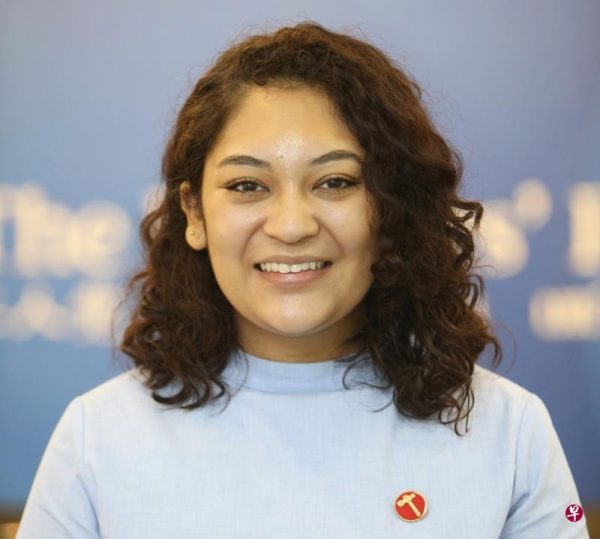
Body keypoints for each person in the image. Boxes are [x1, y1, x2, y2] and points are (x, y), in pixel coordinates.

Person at [17, 21, 589, 538]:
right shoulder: (98, 438)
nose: (291, 226)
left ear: (391, 209)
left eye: (335, 182)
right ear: (194, 213)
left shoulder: (510, 431)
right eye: (247, 186)